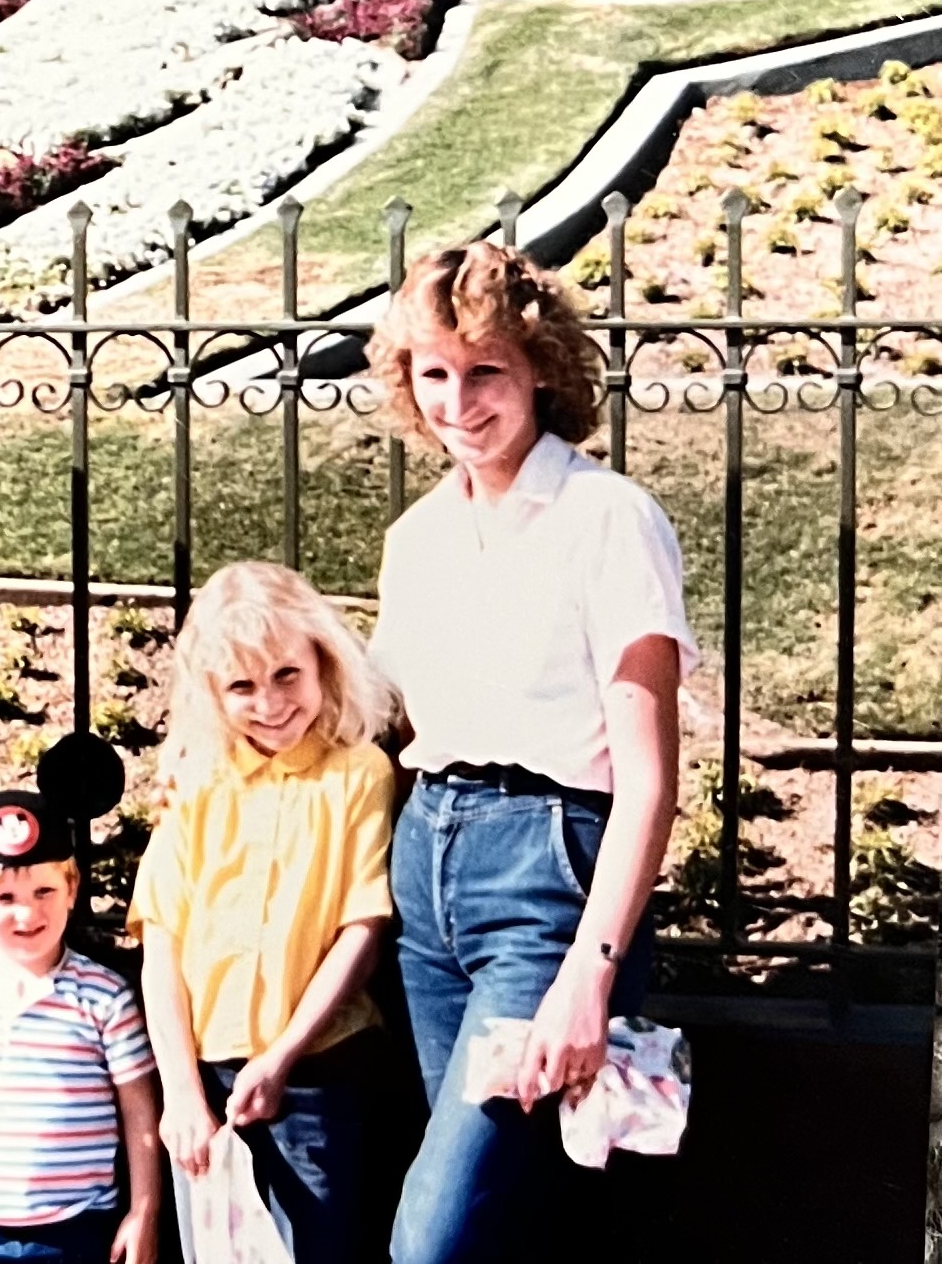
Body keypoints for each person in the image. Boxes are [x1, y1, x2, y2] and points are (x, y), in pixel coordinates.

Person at [363, 242, 696, 1264]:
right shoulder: (417, 537)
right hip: (427, 869)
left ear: (542, 368)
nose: (458, 401)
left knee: (436, 1234)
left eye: (485, 371)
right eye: (434, 373)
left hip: (547, 877)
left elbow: (649, 783)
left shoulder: (609, 519)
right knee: (504, 1215)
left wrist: (589, 977)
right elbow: (387, 720)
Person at [128, 560, 398, 1264]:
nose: (271, 703)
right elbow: (162, 944)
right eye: (243, 687)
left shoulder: (358, 773)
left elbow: (361, 930)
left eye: (287, 675)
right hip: (206, 1079)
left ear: (322, 664)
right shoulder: (196, 782)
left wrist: (280, 1059)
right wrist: (182, 1091)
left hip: (316, 1071)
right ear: (212, 695)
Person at [0, 788, 163, 1264]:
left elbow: (139, 1111)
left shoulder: (104, 996)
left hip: (86, 1229)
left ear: (72, 888)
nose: (27, 913)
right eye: (4, 897)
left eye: (44, 891)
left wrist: (144, 1209)